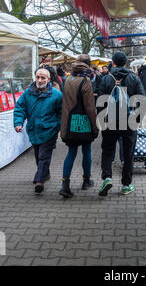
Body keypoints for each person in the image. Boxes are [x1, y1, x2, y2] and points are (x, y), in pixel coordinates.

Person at [97, 51, 146, 196]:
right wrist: (137, 120)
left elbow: (100, 102)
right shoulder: (133, 78)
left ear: (113, 63)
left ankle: (107, 177)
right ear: (125, 63)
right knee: (128, 154)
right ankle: (126, 185)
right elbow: (143, 101)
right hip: (129, 122)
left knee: (107, 151)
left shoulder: (106, 79)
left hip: (110, 122)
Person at [14, 68, 62, 194]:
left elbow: (61, 113)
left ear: (49, 79)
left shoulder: (57, 95)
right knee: (37, 155)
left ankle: (39, 180)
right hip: (34, 130)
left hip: (49, 131)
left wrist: (58, 126)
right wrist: (18, 122)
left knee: (43, 156)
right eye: (38, 77)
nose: (40, 80)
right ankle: (45, 174)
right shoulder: (27, 93)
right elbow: (20, 108)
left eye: (43, 78)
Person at [59, 54, 99, 198]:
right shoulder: (86, 81)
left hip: (69, 123)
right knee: (86, 152)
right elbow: (89, 107)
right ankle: (86, 180)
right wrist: (94, 127)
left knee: (71, 153)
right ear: (88, 65)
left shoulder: (68, 79)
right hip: (83, 123)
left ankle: (65, 184)